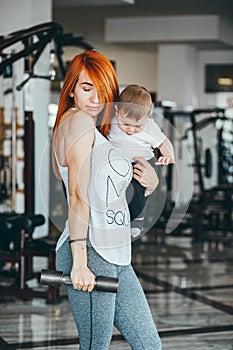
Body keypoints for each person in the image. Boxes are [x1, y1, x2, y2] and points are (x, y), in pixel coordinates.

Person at [52, 50, 162, 350]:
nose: (96, 99)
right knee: (95, 346)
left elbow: (107, 193)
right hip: (89, 249)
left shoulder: (93, 130)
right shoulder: (77, 123)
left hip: (115, 252)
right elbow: (76, 195)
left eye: (103, 91)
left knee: (149, 344)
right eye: (87, 88)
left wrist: (149, 182)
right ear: (71, 88)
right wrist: (79, 262)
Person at [108, 84, 175, 237]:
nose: (131, 130)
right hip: (120, 163)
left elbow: (164, 143)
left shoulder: (150, 127)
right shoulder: (110, 121)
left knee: (138, 188)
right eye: (125, 124)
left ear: (148, 116)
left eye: (137, 126)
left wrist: (169, 156)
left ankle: (137, 218)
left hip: (143, 162)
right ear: (117, 111)